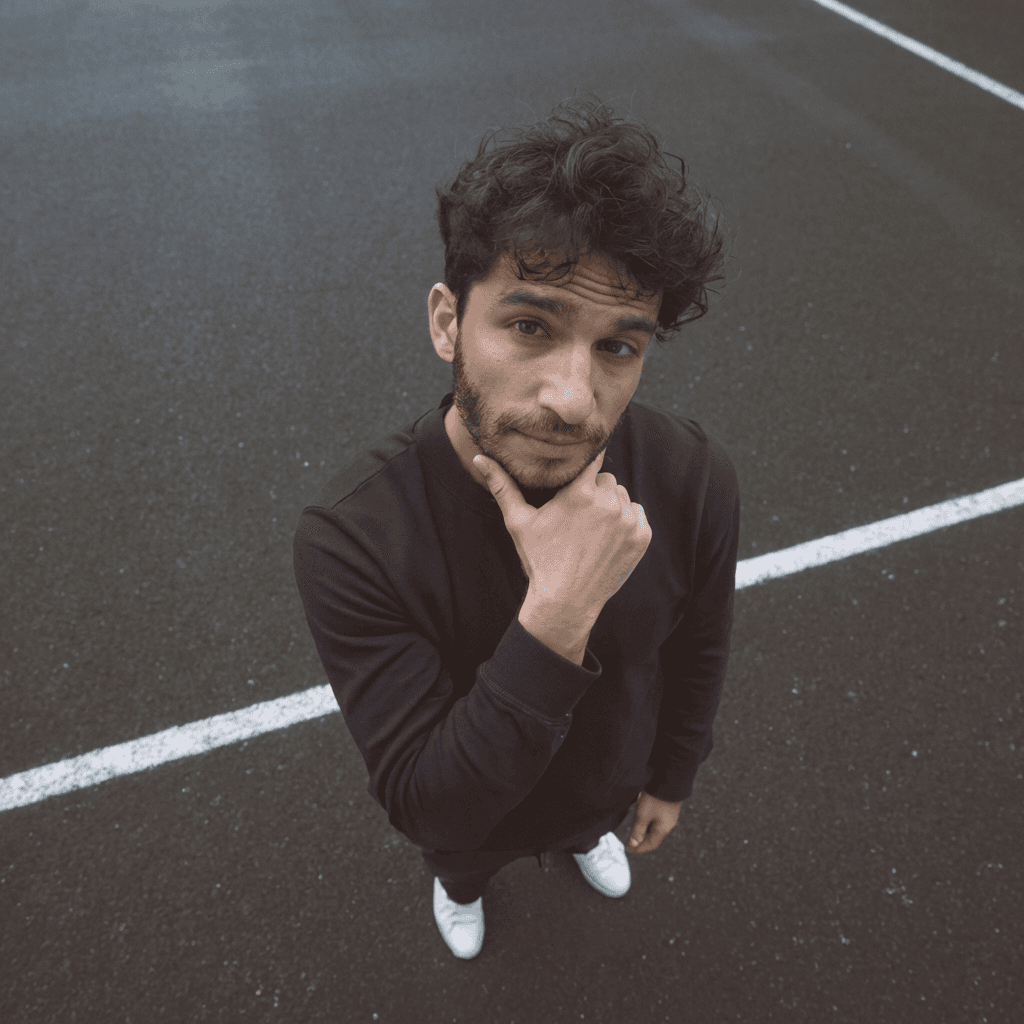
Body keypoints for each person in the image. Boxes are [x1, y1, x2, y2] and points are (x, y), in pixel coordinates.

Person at [292, 94, 739, 960]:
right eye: (530, 325)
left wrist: (670, 778)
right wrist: (560, 609)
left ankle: (583, 837)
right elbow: (429, 802)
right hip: (474, 828)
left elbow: (699, 650)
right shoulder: (352, 535)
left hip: (608, 784)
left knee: (586, 825)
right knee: (464, 865)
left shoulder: (692, 476)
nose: (573, 400)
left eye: (619, 346)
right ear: (448, 321)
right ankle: (461, 895)